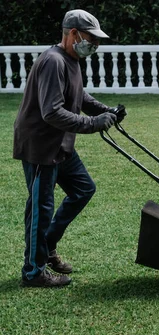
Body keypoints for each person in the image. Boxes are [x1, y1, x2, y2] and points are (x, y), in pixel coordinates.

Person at [13, 9, 124, 288]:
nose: (95, 44)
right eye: (91, 38)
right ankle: (33, 271)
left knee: (83, 188)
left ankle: (47, 246)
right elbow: (52, 112)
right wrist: (92, 123)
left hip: (60, 144)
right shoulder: (53, 61)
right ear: (73, 34)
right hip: (41, 147)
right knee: (41, 207)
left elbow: (78, 94)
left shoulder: (71, 59)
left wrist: (105, 110)